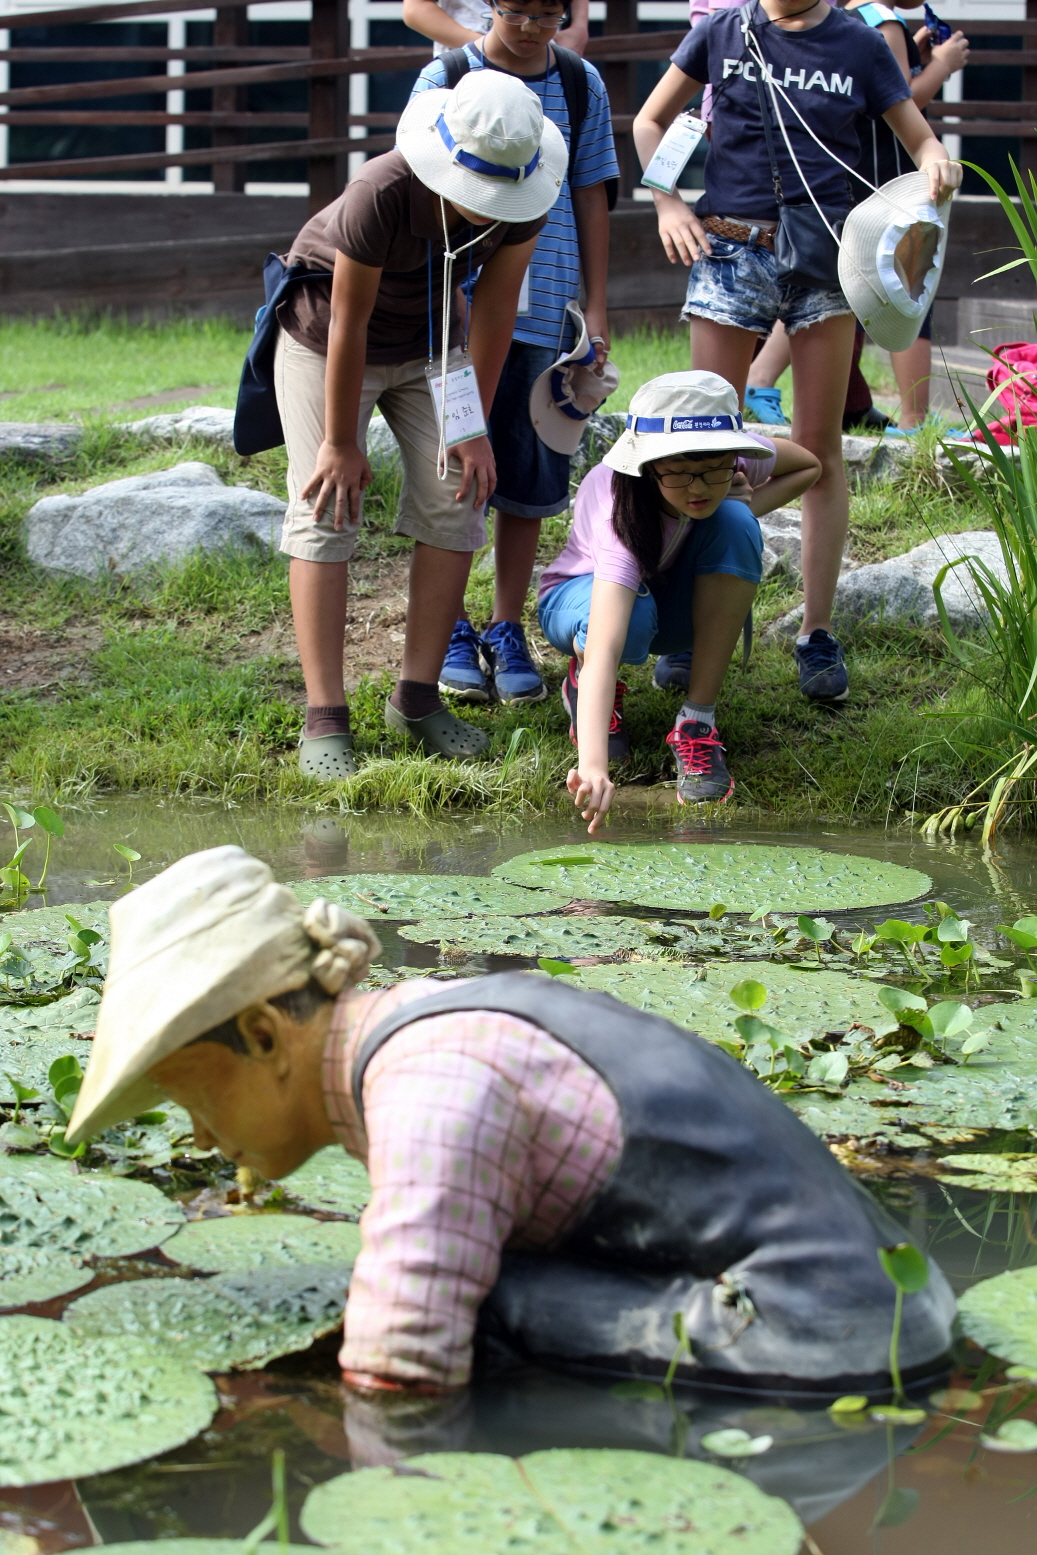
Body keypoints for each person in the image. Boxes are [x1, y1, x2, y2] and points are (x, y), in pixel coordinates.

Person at [66, 844, 957, 1396]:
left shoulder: (430, 1083)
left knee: (480, 1298)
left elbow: (399, 1357)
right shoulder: (430, 1018)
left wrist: (308, 1428)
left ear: (265, 1034)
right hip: (890, 1301)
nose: (200, 1140)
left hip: (826, 1333)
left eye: (192, 1098)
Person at [633, 0, 962, 705]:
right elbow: (649, 118)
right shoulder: (719, 31)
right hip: (725, 248)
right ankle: (688, 621)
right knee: (700, 442)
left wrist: (937, 167)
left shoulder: (858, 42)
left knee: (820, 450)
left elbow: (918, 137)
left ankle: (814, 631)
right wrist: (666, 202)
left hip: (827, 258)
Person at [273, 71, 565, 778]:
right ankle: (325, 716)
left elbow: (495, 310)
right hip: (326, 340)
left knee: (460, 490)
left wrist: (475, 426)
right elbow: (349, 320)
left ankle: (417, 697)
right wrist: (341, 442)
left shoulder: (527, 194)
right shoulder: (381, 190)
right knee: (325, 504)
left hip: (433, 347)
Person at [407, 0, 619, 706]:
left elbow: (591, 193)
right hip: (455, 310)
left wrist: (595, 306)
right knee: (455, 466)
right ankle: (451, 627)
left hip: (548, 305)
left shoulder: (582, 83)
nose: (529, 26)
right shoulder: (447, 73)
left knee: (528, 476)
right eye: (515, 9)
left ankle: (504, 625)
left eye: (546, 12)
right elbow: (415, 179)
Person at [537, 371, 820, 821]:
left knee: (735, 522)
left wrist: (746, 503)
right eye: (682, 474)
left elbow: (810, 465)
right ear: (647, 466)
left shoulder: (724, 466)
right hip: (577, 601)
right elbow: (608, 646)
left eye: (715, 471)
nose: (699, 488)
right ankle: (584, 686)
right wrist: (592, 766)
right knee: (630, 620)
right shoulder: (620, 513)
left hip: (661, 598)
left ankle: (696, 721)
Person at [403, 0, 589, 57]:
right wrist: (484, 48)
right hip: (465, 64)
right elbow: (416, 9)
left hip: (543, 54)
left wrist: (579, 26)